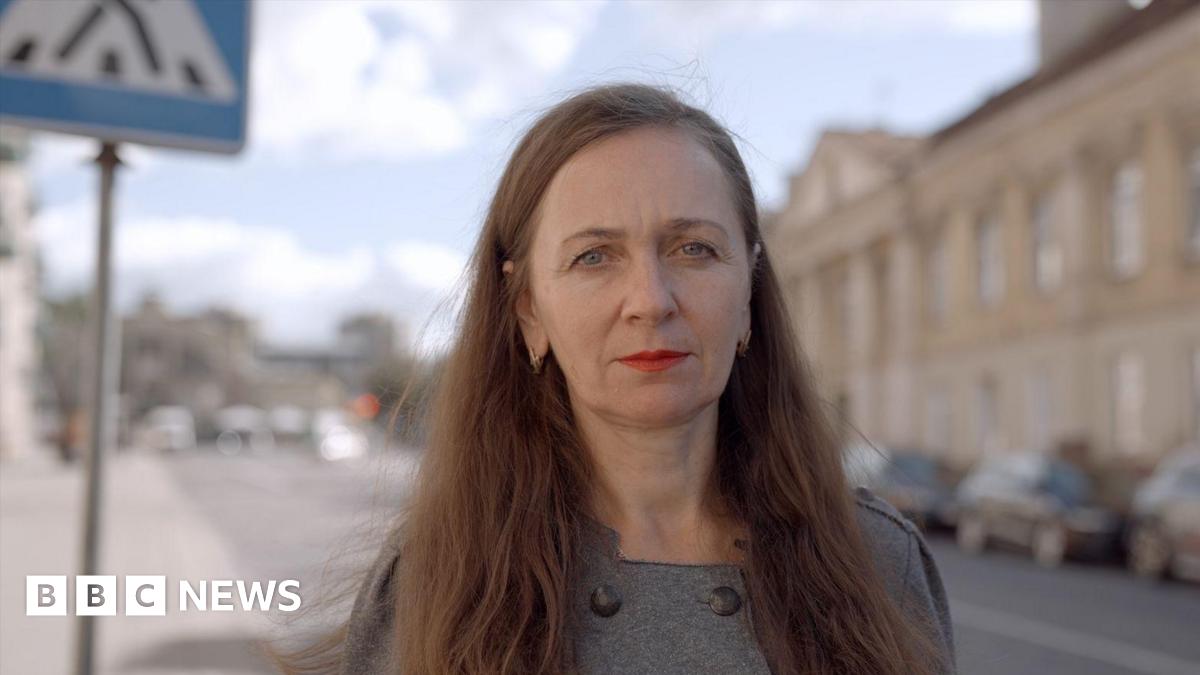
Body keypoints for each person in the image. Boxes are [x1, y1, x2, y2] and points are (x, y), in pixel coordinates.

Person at [278, 82, 955, 675]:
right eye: (595, 256)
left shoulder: (878, 559)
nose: (650, 299)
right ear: (529, 310)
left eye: (694, 249)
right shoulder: (436, 580)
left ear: (749, 290)